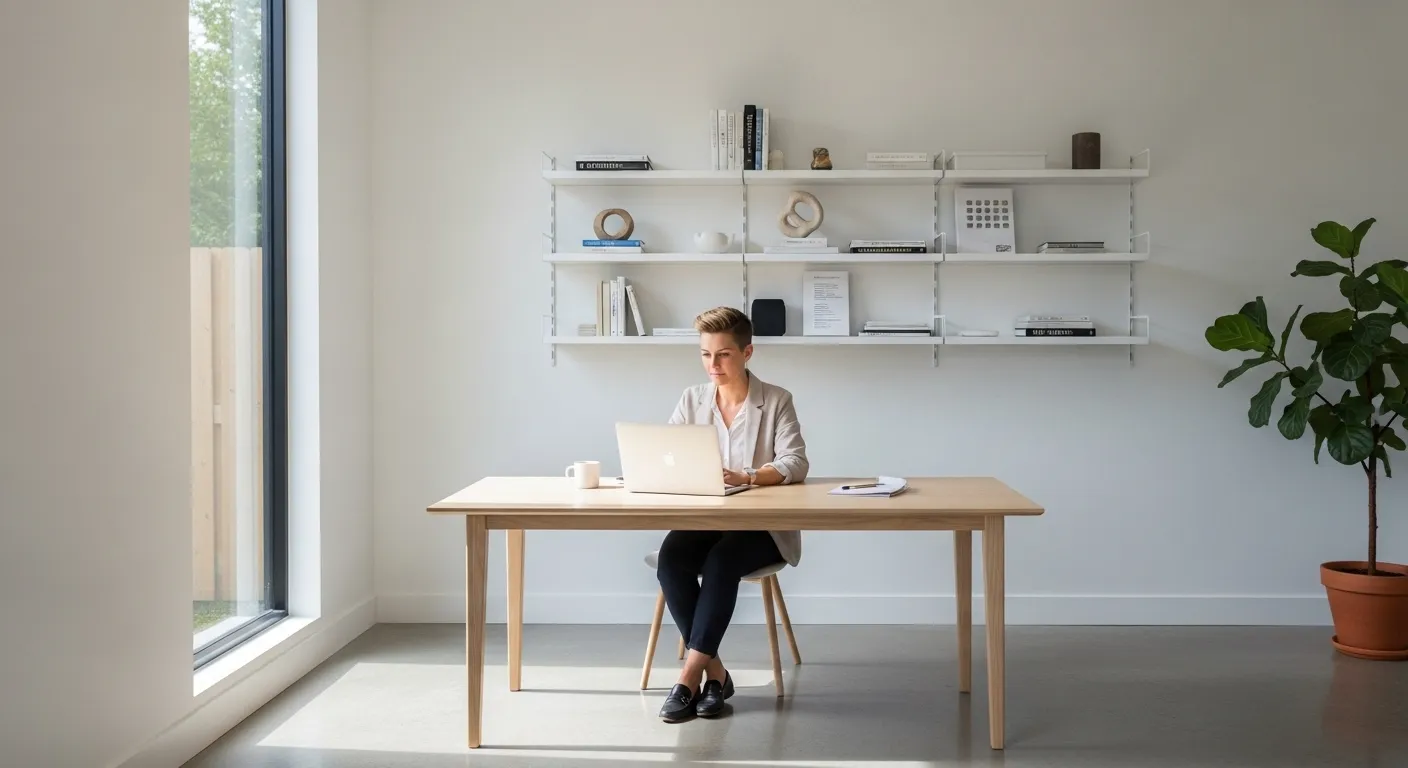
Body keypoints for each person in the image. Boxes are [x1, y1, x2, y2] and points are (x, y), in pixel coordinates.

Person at [655, 306, 808, 722]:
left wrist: (751, 475)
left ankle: (688, 677)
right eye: (706, 354)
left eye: (723, 354)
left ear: (747, 352)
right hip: (705, 518)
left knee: (722, 563)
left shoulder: (776, 400)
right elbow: (668, 453)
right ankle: (717, 674)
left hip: (760, 527)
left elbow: (795, 461)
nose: (713, 365)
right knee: (671, 560)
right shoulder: (692, 399)